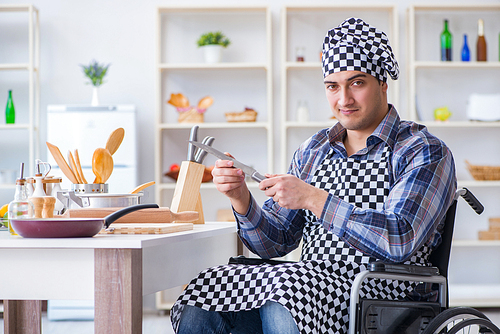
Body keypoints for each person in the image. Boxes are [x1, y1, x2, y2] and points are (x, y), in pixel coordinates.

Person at [171, 17, 457, 334]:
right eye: (333, 86)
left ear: (383, 84)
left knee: (286, 287)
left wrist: (314, 198)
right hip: (313, 288)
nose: (343, 99)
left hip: (389, 293)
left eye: (357, 83)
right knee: (212, 287)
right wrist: (241, 198)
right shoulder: (315, 150)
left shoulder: (423, 151)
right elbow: (274, 243)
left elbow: (398, 238)